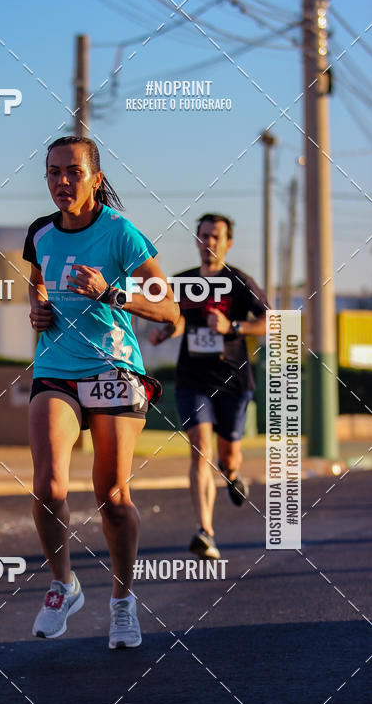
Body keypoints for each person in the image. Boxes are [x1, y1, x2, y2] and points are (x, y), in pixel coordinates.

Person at [23, 135, 179, 648]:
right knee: (47, 486)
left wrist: (112, 293)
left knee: (111, 497)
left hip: (113, 370)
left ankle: (121, 600)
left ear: (95, 177)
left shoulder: (120, 234)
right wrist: (38, 308)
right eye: (52, 172)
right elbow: (38, 280)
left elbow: (169, 308)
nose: (61, 181)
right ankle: (63, 585)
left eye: (72, 171)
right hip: (56, 368)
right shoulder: (40, 232)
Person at [150, 213, 268, 560]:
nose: (209, 242)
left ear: (227, 242)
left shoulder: (238, 281)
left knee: (227, 456)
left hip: (233, 380)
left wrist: (232, 325)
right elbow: (176, 317)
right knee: (201, 449)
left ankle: (233, 475)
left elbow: (271, 322)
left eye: (216, 237)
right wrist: (165, 331)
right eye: (203, 235)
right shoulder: (184, 282)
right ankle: (205, 531)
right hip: (193, 380)